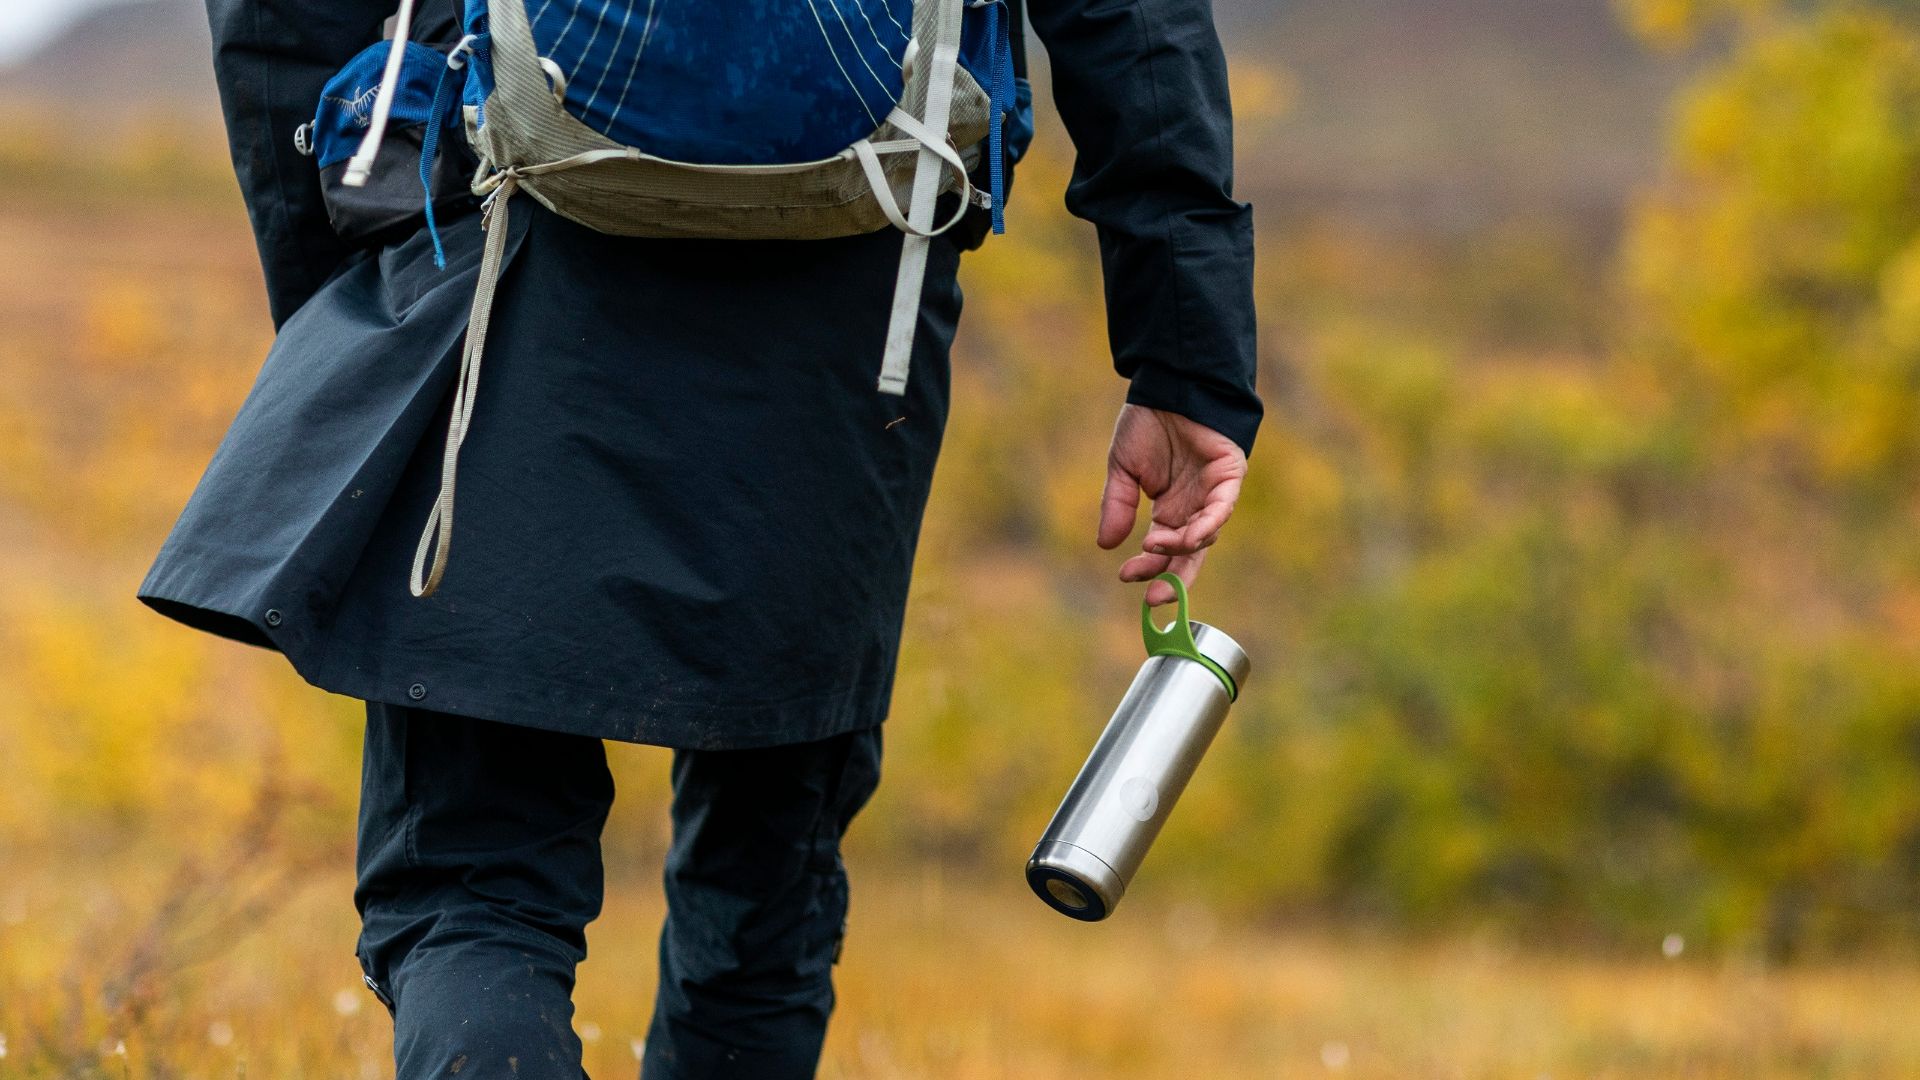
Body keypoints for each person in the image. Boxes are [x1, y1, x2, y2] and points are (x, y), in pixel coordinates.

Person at [139, 0, 1260, 1074]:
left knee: (471, 885)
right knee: (765, 888)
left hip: (501, 239)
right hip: (857, 293)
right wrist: (1185, 351)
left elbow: (273, 14)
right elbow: (1135, 18)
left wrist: (339, 296)